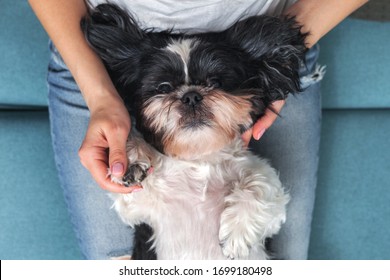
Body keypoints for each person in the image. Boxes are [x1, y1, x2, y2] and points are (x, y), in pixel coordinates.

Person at [28, 0, 368, 259]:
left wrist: (277, 61)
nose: (192, 100)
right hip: (105, 59)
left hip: (264, 46)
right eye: (171, 94)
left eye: (211, 86)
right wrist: (101, 96)